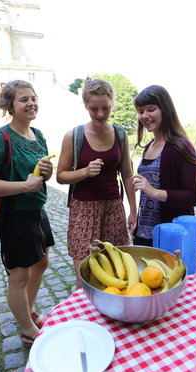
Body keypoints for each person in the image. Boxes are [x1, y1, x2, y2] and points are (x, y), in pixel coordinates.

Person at [0, 80, 55, 347]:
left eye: (33, 98)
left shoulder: (38, 134)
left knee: (42, 262)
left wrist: (46, 173)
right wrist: (25, 185)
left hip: (37, 209)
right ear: (10, 105)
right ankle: (27, 330)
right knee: (19, 275)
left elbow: (41, 174)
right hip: (15, 216)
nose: (31, 103)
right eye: (24, 99)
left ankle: (29, 310)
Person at [56, 77, 137, 288]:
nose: (100, 114)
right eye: (94, 108)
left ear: (112, 104)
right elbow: (61, 176)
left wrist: (133, 211)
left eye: (105, 108)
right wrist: (84, 172)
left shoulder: (120, 135)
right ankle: (84, 317)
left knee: (117, 272)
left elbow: (127, 175)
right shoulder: (73, 136)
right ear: (85, 105)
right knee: (85, 277)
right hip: (83, 210)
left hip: (113, 209)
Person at [131, 85, 196, 246]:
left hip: (170, 235)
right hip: (144, 232)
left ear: (165, 109)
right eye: (140, 111)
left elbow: (194, 196)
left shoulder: (180, 147)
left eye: (151, 109)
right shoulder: (149, 146)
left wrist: (154, 192)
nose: (145, 116)